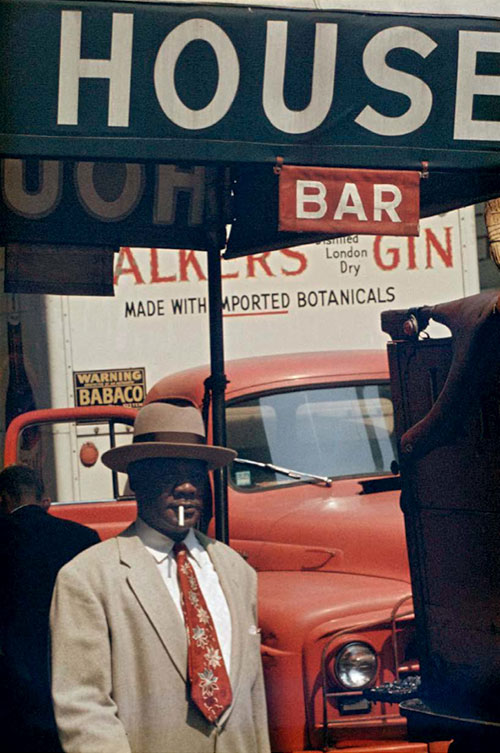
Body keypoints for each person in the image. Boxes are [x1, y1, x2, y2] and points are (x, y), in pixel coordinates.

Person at [50, 402, 271, 753]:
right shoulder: (88, 579)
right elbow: (84, 710)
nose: (186, 486)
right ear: (136, 479)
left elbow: (254, 700)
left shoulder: (236, 571)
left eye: (196, 472)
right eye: (169, 470)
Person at [0, 464, 100, 753]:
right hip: (70, 677)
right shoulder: (83, 537)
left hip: (13, 681)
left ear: (4, 499)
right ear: (43, 498)